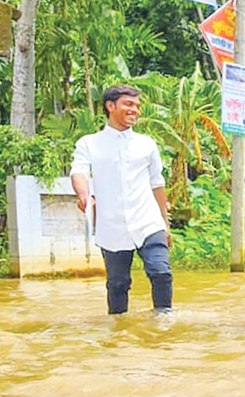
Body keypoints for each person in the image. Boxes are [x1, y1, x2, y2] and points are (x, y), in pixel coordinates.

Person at [71, 85, 173, 315]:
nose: (135, 110)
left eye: (137, 106)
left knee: (161, 273)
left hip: (148, 221)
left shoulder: (147, 144)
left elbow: (157, 184)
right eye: (129, 104)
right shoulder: (89, 143)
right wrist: (83, 195)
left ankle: (164, 325)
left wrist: (165, 224)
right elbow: (78, 171)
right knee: (117, 284)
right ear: (110, 106)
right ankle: (118, 332)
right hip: (111, 225)